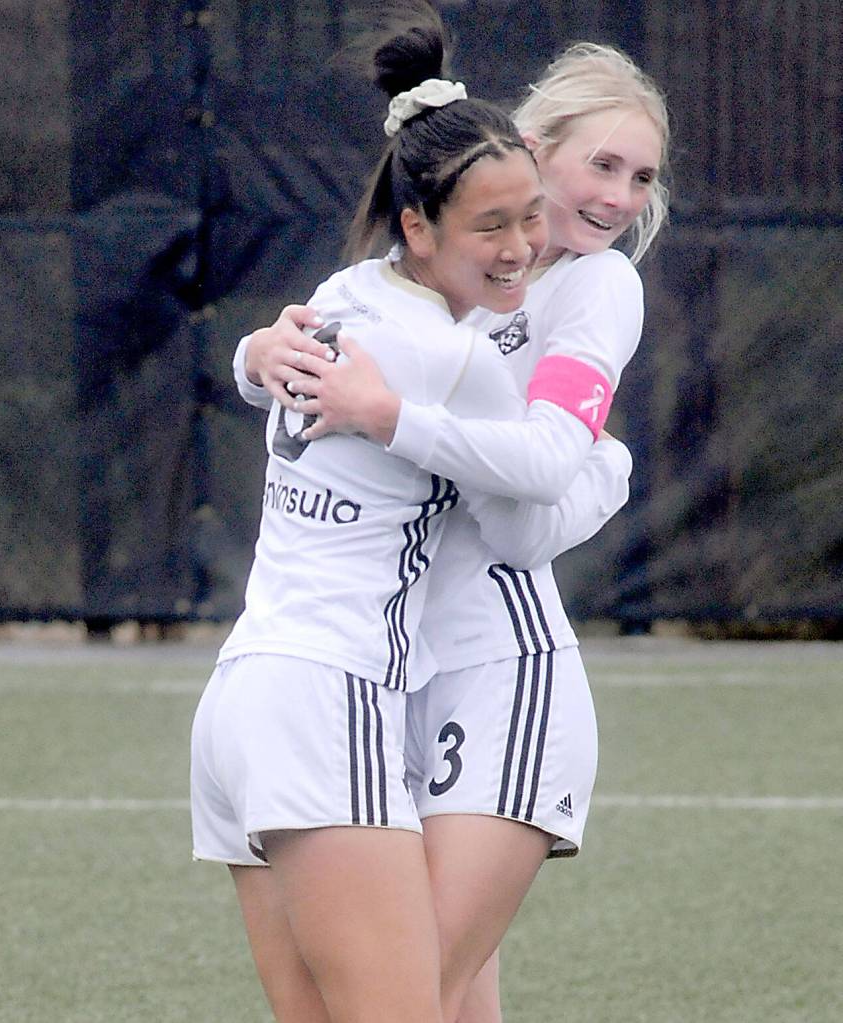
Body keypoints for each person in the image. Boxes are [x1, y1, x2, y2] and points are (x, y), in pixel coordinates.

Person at [191, 5, 638, 1022]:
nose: (526, 246)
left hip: (239, 703)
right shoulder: (457, 357)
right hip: (329, 696)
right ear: (417, 227)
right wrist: (608, 464)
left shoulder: (339, 292)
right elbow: (536, 489)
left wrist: (253, 358)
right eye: (492, 224)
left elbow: (274, 370)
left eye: (532, 217)